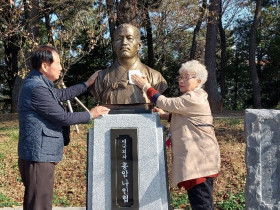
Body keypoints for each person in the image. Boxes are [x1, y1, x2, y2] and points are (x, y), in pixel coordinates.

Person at [17, 45, 110, 210]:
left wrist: (87, 84)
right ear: (45, 65)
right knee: (39, 205)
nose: (61, 67)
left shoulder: (40, 83)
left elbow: (61, 95)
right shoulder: (36, 87)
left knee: (38, 202)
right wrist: (91, 114)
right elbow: (62, 117)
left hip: (40, 155)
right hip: (38, 157)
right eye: (58, 63)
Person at [132, 60, 220, 209]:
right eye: (180, 77)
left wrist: (145, 86)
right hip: (201, 160)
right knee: (201, 202)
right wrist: (164, 116)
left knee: (202, 204)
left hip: (199, 161)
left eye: (186, 77)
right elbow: (185, 117)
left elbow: (165, 102)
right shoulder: (197, 97)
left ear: (198, 81)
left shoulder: (193, 97)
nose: (181, 80)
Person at [90, 23, 168, 105]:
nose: (124, 42)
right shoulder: (101, 77)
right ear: (113, 46)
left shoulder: (155, 76)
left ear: (139, 45)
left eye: (129, 38)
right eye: (119, 39)